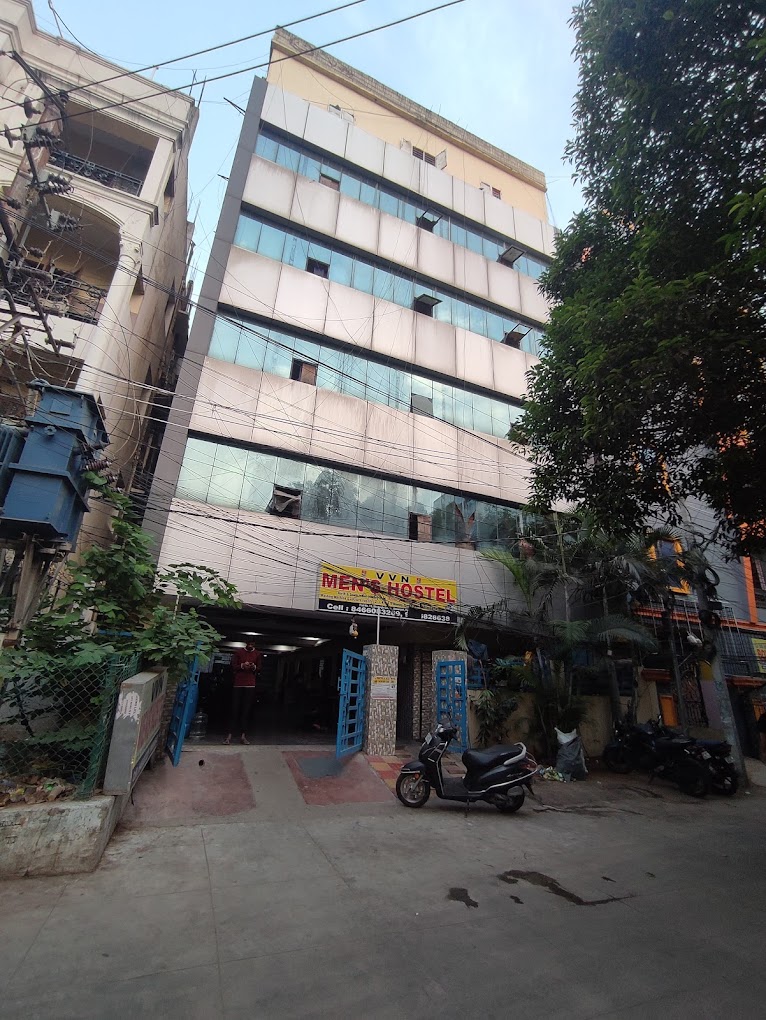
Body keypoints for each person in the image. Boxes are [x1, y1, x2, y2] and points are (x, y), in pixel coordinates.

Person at [224, 642, 262, 745]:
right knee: (234, 709)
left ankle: (243, 736)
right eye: (249, 644)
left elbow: (259, 668)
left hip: (250, 684)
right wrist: (242, 665)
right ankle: (229, 736)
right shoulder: (238, 652)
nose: (251, 646)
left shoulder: (258, 654)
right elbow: (233, 666)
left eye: (252, 644)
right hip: (238, 684)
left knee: (246, 711)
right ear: (246, 644)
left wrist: (253, 666)